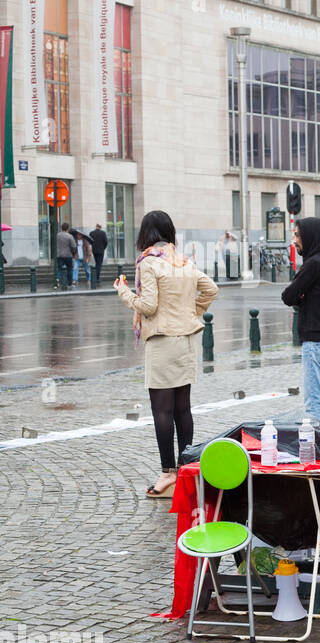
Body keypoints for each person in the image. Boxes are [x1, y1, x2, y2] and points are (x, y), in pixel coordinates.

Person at [115, 210, 219, 498]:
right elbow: (211, 289)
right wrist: (191, 313)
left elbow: (147, 306)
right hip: (185, 342)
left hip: (162, 343)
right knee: (182, 408)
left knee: (162, 410)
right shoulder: (183, 261)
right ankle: (186, 468)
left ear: (146, 234)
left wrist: (123, 292)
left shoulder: (150, 263)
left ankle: (167, 474)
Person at [281, 217, 320, 426]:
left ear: (309, 236)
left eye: (297, 235)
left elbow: (288, 296)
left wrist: (299, 296)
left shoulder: (313, 264)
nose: (294, 240)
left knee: (314, 403)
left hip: (315, 340)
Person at [55, 222, 76, 290]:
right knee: (69, 269)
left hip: (60, 255)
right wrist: (73, 252)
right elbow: (73, 246)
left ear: (61, 228)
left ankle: (58, 280)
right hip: (68, 255)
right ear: (67, 228)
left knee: (60, 269)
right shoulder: (70, 236)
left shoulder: (58, 235)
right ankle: (69, 283)